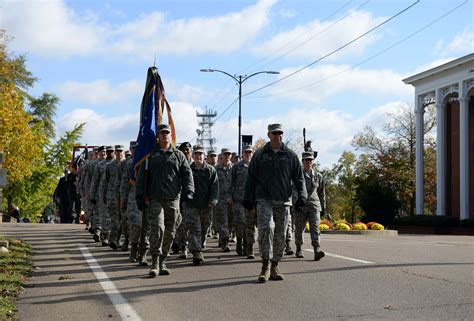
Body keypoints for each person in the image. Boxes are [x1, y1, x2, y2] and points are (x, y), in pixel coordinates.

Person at [244, 124, 307, 283]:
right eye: (274, 133)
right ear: (269, 135)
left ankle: (274, 266)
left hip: (284, 200)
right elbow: (251, 178)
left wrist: (302, 196)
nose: (278, 135)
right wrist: (248, 198)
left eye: (280, 133)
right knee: (266, 229)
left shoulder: (290, 155)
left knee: (280, 234)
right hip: (264, 199)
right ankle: (265, 265)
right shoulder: (260, 155)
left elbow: (299, 178)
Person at [135, 124, 194, 277]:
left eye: (167, 133)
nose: (165, 135)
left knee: (170, 230)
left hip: (173, 199)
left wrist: (189, 190)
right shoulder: (150, 155)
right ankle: (154, 262)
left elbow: (187, 174)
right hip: (155, 199)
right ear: (158, 136)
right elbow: (141, 177)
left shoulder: (178, 155)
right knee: (157, 228)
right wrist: (139, 195)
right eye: (162, 133)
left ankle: (163, 261)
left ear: (170, 135)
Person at [185, 144, 219, 265]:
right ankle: (196, 252)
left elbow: (215, 187)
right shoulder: (188, 169)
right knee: (195, 229)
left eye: (201, 154)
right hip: (191, 205)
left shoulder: (210, 170)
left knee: (204, 228)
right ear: (193, 155)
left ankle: (199, 245)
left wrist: (213, 200)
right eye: (196, 154)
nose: (199, 156)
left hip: (206, 205)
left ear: (204, 156)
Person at [294, 151, 326, 260]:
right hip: (301, 205)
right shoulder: (298, 175)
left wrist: (323, 206)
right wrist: (296, 202)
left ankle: (316, 250)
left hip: (314, 205)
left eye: (310, 160)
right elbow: (293, 190)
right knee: (299, 228)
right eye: (306, 160)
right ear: (302, 161)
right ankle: (298, 248)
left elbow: (321, 192)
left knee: (315, 228)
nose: (309, 162)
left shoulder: (318, 176)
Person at [120, 141, 149, 264]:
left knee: (147, 227)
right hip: (134, 198)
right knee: (136, 226)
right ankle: (134, 250)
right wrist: (123, 200)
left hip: (149, 197)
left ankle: (143, 254)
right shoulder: (130, 164)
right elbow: (125, 183)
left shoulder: (150, 161)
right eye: (134, 149)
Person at [230, 144, 254, 257]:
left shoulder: (255, 166)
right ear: (243, 154)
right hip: (238, 199)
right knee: (241, 222)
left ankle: (249, 247)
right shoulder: (236, 166)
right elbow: (231, 182)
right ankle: (240, 242)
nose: (248, 154)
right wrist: (230, 196)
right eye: (246, 152)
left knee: (250, 224)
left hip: (251, 200)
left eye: (250, 152)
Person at [174, 141, 193, 258]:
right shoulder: (177, 163)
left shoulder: (196, 164)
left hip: (192, 198)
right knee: (180, 223)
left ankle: (186, 245)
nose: (186, 152)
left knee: (189, 223)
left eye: (188, 150)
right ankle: (180, 245)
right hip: (178, 198)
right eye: (183, 150)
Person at [104, 145, 125, 249]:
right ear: (115, 153)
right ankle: (113, 240)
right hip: (112, 195)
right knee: (114, 219)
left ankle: (121, 239)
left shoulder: (127, 164)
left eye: (121, 151)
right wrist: (104, 195)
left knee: (124, 219)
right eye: (117, 152)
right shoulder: (110, 166)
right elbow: (106, 181)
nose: (119, 153)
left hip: (125, 195)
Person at [214, 147, 233, 252]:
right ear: (221, 156)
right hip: (220, 199)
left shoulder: (235, 168)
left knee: (231, 222)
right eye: (225, 154)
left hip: (232, 199)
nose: (227, 156)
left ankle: (224, 237)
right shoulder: (216, 169)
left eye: (229, 154)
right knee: (223, 221)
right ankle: (225, 242)